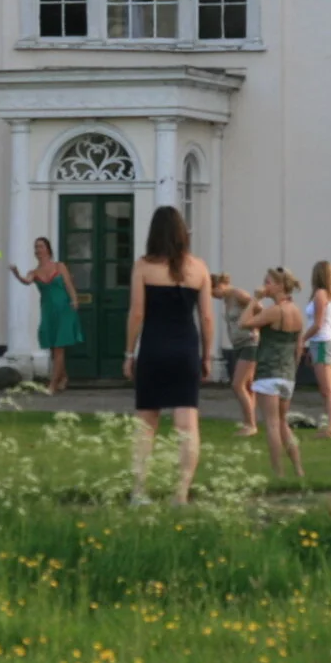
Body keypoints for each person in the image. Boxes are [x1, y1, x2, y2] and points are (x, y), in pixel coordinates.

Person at [122, 205, 215, 506]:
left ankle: (139, 492)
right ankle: (181, 493)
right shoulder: (199, 268)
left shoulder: (143, 267)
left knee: (146, 423)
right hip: (186, 348)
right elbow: (207, 318)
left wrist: (128, 353)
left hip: (153, 347)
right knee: (187, 424)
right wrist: (208, 356)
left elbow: (137, 313)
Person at [245, 268, 306, 479]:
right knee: (282, 422)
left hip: (268, 371)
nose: (264, 285)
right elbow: (299, 347)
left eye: (268, 281)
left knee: (271, 424)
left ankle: (278, 473)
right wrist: (293, 369)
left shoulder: (275, 310)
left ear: (279, 286)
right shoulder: (297, 311)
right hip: (288, 373)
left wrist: (255, 299)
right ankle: (298, 469)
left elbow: (243, 323)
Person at [10, 238, 82, 394]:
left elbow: (69, 284)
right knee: (51, 345)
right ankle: (62, 377)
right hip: (48, 311)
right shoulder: (34, 272)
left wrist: (75, 299)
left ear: (48, 249)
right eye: (36, 247)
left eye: (41, 246)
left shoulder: (59, 266)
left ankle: (52, 385)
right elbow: (26, 281)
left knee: (59, 347)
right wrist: (16, 274)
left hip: (64, 309)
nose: (38, 249)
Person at [211, 273, 259, 438]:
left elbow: (258, 309)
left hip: (249, 343)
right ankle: (249, 421)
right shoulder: (226, 300)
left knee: (237, 384)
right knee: (248, 385)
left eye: (212, 293)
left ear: (218, 286)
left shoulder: (239, 294)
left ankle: (251, 425)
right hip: (238, 344)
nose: (213, 297)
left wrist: (256, 329)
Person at [303, 260, 331, 437]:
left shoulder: (320, 295)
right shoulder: (328, 294)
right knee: (326, 388)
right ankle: (328, 425)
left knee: (327, 389)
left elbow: (317, 324)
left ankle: (330, 428)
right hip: (322, 342)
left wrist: (302, 340)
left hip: (323, 342)